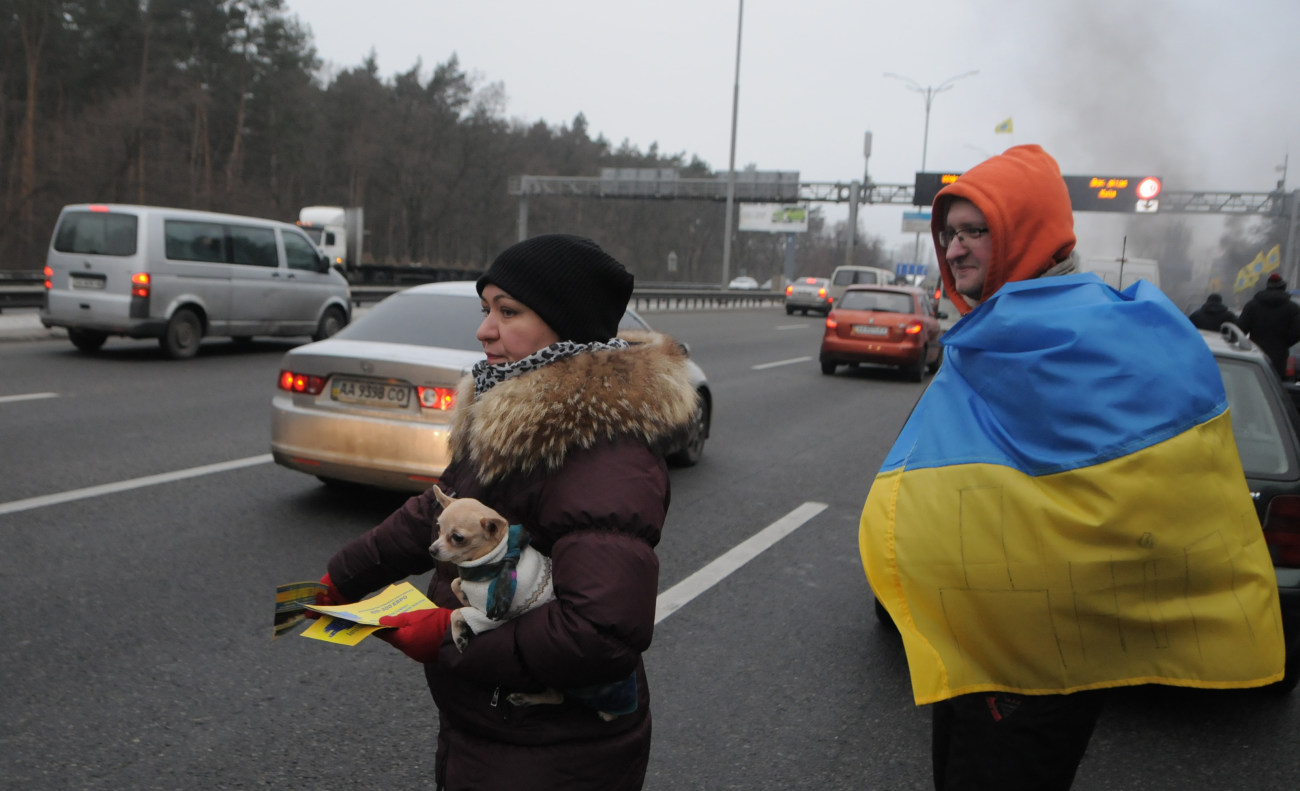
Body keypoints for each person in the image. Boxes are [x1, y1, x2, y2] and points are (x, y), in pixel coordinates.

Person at [858, 145, 1285, 790]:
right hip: (979, 641)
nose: (955, 249)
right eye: (950, 233)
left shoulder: (1071, 337)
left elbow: (1123, 481)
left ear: (1025, 234)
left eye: (977, 231)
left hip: (1034, 664)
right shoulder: (997, 331)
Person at [312, 234, 699, 790]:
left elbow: (598, 634)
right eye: (485, 308)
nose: (484, 329)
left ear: (566, 325)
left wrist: (446, 635)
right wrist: (343, 576)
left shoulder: (603, 452)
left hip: (555, 747)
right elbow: (439, 509)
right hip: (497, 726)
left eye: (508, 311)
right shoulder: (511, 412)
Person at [1236, 271, 1300, 376]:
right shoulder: (1292, 308)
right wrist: (1283, 343)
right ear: (1283, 287)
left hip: (1255, 355)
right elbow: (1297, 332)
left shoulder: (1252, 305)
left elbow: (1240, 330)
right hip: (1279, 358)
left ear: (1267, 286)